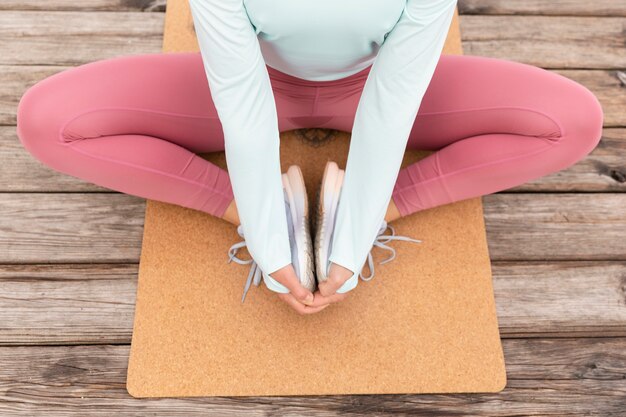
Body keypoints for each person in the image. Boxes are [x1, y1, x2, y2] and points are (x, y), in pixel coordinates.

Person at [15, 0, 604, 315]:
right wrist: (268, 238)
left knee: (573, 121)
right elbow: (244, 113)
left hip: (375, 85)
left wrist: (356, 236)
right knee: (46, 120)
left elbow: (390, 110)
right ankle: (242, 207)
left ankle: (385, 205)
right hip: (254, 83)